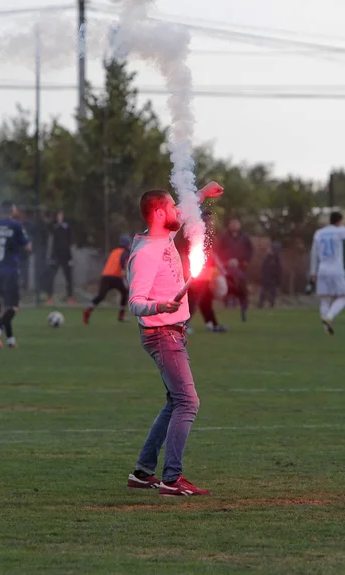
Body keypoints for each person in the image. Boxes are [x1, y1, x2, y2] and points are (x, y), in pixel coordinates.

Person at [126, 181, 223, 497]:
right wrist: (160, 307)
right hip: (161, 335)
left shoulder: (163, 234)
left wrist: (202, 194)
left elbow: (182, 214)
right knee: (188, 402)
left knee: (175, 401)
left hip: (173, 332)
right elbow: (135, 301)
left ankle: (142, 473)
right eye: (170, 207)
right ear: (157, 213)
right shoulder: (144, 254)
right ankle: (172, 478)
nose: (176, 212)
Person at [0, 201, 31, 348]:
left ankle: (11, 341)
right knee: (14, 307)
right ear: (12, 210)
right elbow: (28, 246)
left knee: (6, 307)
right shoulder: (16, 226)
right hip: (10, 270)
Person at [309, 211, 345, 334]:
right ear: (339, 221)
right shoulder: (340, 231)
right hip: (336, 269)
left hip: (322, 269)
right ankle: (329, 318)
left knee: (325, 299)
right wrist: (344, 229)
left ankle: (326, 329)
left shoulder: (319, 233)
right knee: (342, 297)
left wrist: (312, 272)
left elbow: (313, 253)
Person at [186, 210, 228, 334]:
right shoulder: (196, 233)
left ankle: (212, 324)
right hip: (196, 272)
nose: (210, 223)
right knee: (194, 299)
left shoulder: (210, 235)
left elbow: (212, 254)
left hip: (207, 272)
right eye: (208, 220)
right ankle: (184, 324)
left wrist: (219, 268)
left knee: (205, 299)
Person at [83, 234, 132, 325]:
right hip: (116, 277)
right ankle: (121, 315)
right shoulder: (125, 251)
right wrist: (123, 269)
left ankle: (88, 310)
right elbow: (122, 259)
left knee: (101, 296)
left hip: (106, 276)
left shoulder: (114, 251)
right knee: (125, 293)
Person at [216, 217, 253, 322]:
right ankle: (227, 306)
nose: (234, 225)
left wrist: (245, 261)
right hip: (226, 269)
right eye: (232, 223)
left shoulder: (244, 237)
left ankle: (243, 309)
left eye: (236, 223)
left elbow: (250, 251)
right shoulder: (224, 237)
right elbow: (218, 251)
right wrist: (224, 262)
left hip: (240, 268)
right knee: (226, 288)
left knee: (242, 290)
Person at [45, 209, 76, 305]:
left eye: (61, 215)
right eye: (58, 215)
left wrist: (71, 256)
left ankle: (70, 297)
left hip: (66, 256)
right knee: (51, 276)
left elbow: (70, 240)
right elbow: (49, 228)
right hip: (55, 255)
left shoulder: (67, 227)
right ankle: (49, 297)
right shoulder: (54, 226)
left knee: (69, 277)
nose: (60, 217)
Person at [259, 241, 282, 309]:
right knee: (263, 292)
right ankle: (261, 304)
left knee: (273, 293)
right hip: (266, 278)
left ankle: (271, 304)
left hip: (273, 278)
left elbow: (278, 270)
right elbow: (263, 268)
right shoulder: (267, 258)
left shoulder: (276, 259)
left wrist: (278, 279)